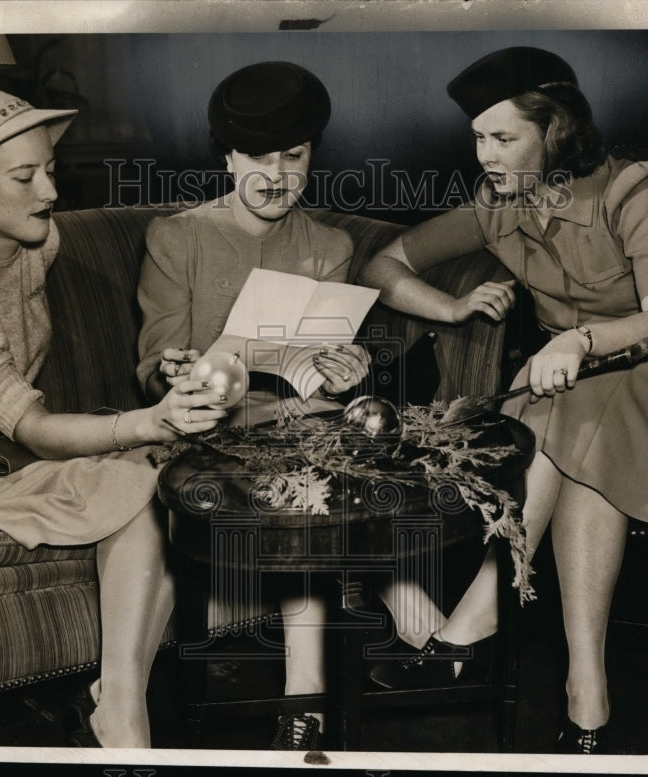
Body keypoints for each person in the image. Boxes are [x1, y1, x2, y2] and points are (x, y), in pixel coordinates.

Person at [358, 47, 648, 754]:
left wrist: (579, 342)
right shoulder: (496, 207)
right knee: (584, 443)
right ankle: (585, 689)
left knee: (572, 420)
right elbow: (384, 263)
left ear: (556, 131)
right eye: (479, 136)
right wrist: (450, 306)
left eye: (504, 138)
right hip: (592, 394)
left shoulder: (630, 189)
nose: (486, 155)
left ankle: (473, 619)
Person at [0, 87, 230, 749]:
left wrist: (160, 392)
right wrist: (153, 421)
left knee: (161, 478)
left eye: (49, 169)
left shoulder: (37, 241)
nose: (50, 191)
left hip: (4, 463)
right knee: (143, 471)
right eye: (25, 177)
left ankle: (119, 702)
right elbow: (32, 426)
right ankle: (126, 716)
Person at [137, 60, 442, 750]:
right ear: (226, 155)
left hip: (293, 427)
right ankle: (412, 629)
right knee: (302, 476)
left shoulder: (327, 246)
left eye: (295, 156)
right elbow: (156, 363)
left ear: (313, 156)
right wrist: (174, 366)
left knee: (327, 457)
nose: (277, 176)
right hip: (205, 427)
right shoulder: (175, 236)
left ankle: (307, 698)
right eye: (258, 158)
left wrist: (345, 363)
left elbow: (314, 371)